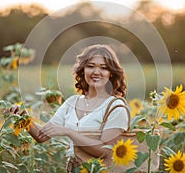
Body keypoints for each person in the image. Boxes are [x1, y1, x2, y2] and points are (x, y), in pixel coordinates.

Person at [8, 44, 129, 172]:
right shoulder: (72, 102)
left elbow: (106, 151)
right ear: (83, 70)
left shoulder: (116, 108)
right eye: (90, 66)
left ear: (111, 73)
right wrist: (23, 117)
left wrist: (69, 132)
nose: (96, 72)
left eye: (104, 68)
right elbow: (41, 135)